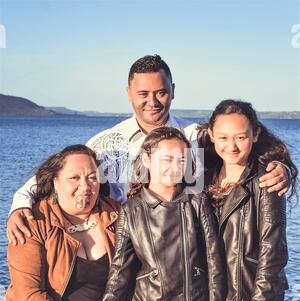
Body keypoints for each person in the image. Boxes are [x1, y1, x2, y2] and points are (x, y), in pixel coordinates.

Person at [7, 55, 289, 245]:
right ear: (129, 93)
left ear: (173, 90)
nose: (152, 102)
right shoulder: (106, 143)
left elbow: (243, 141)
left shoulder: (196, 137)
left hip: (186, 255)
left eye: (161, 92)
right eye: (143, 94)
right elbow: (57, 175)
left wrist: (283, 166)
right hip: (121, 252)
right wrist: (20, 204)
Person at [97, 127, 224, 301]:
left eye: (182, 160)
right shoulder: (131, 209)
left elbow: (214, 262)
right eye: (166, 159)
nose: (174, 167)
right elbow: (120, 269)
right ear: (147, 160)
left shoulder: (197, 201)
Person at [4, 145, 135, 301]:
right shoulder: (32, 222)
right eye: (74, 178)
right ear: (55, 182)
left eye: (92, 177)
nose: (85, 186)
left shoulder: (117, 216)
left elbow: (138, 278)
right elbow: (29, 295)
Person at [197, 100, 298, 301]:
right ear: (211, 135)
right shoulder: (205, 178)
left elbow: (273, 253)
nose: (231, 146)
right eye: (223, 137)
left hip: (249, 298)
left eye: (240, 137)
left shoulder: (266, 181)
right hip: (214, 296)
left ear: (255, 134)